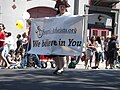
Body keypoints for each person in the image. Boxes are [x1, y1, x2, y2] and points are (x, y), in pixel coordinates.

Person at [53, 0, 71, 75]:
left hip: (64, 36)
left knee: (61, 53)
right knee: (55, 53)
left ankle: (61, 68)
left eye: (63, 6)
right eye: (60, 7)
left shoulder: (68, 15)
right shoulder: (57, 16)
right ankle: (58, 66)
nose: (62, 8)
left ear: (65, 7)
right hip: (56, 36)